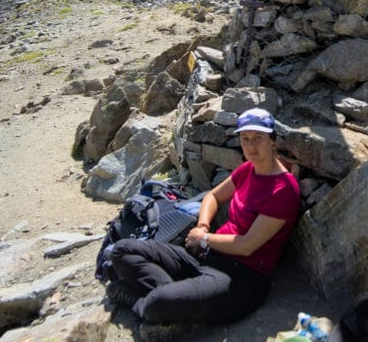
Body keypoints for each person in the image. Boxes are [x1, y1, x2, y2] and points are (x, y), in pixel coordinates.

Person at [106, 107, 300, 325]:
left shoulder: (283, 190)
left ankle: (144, 303)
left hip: (242, 277)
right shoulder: (248, 170)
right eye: (245, 139)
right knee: (123, 250)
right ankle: (178, 299)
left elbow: (247, 245)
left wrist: (204, 239)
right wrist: (203, 227)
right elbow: (212, 197)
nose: (251, 146)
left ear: (272, 140)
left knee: (157, 304)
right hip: (208, 254)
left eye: (258, 138)